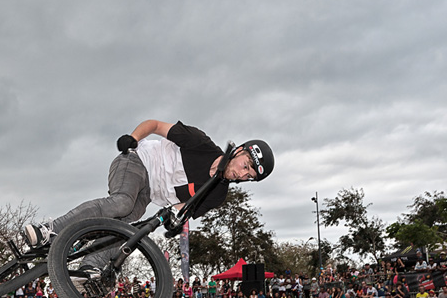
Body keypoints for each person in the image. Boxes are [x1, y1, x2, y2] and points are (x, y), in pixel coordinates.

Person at [22, 120, 274, 284]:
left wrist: (176, 222)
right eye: (245, 166)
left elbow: (180, 210)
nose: (242, 175)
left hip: (148, 194)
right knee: (121, 204)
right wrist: (132, 139)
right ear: (239, 151)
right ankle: (50, 229)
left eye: (249, 176)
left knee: (130, 229)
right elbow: (154, 125)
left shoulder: (217, 194)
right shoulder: (200, 143)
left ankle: (90, 267)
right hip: (137, 162)